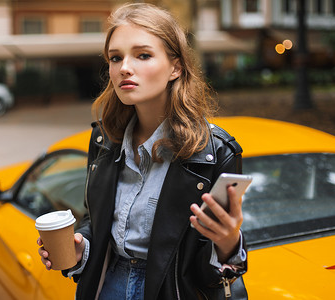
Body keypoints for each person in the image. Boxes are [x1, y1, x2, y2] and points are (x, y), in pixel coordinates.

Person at [37, 3, 248, 299]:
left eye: (143, 55)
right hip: (105, 287)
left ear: (175, 67)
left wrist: (228, 243)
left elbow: (208, 276)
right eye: (115, 57)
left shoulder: (213, 152)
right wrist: (79, 248)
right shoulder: (103, 139)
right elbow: (94, 223)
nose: (124, 67)